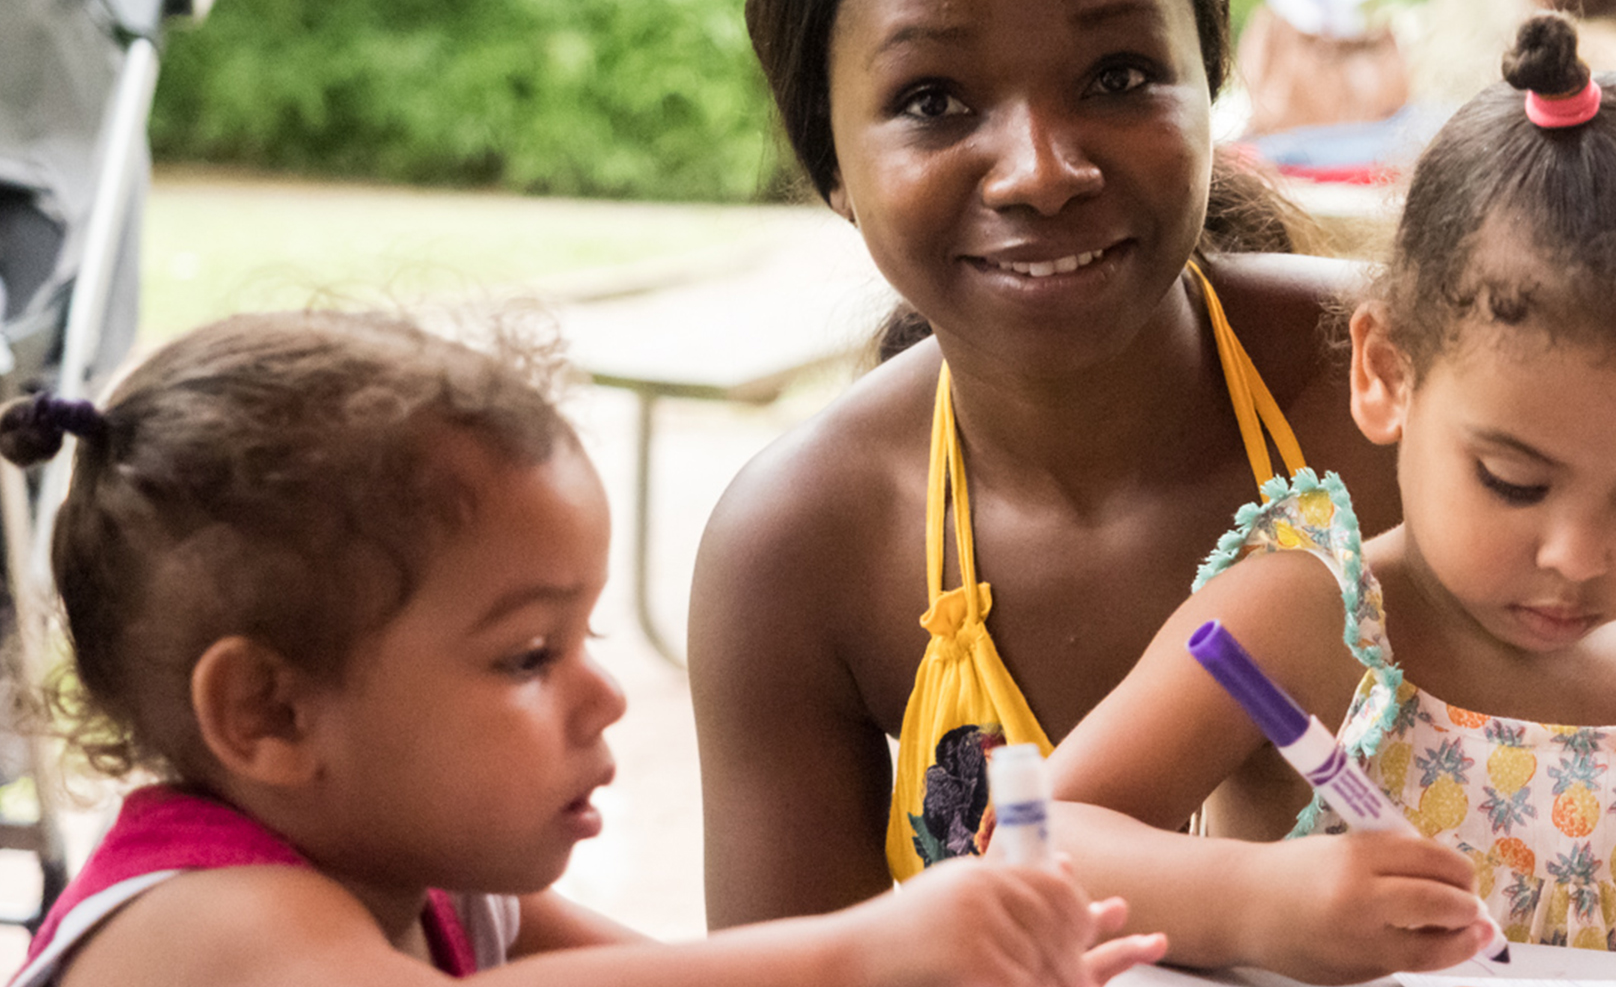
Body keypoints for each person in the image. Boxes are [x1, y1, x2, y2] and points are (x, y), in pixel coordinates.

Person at [1044, 13, 1616, 983]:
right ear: (1386, 374)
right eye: (1513, 481)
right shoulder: (1301, 623)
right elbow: (1036, 842)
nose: (1577, 555)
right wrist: (1257, 904)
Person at [2, 310, 1161, 987]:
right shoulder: (202, 925)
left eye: (585, 635)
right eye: (525, 656)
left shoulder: (434, 879)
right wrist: (861, 953)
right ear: (272, 713)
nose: (603, 694)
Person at [690, 0, 1405, 930]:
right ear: (832, 163)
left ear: (1211, 86)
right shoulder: (798, 550)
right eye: (932, 99)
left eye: (1117, 74)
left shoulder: (1410, 393)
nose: (1041, 168)